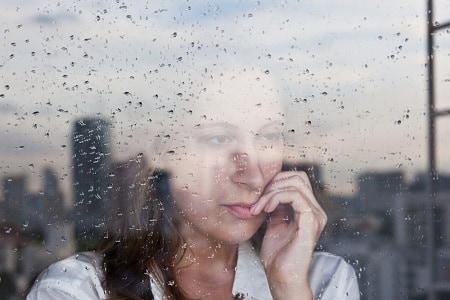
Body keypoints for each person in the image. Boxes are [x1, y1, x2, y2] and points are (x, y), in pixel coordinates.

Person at [27, 65, 360, 299]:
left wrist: (288, 291)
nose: (254, 175)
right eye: (218, 139)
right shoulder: (77, 291)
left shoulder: (321, 281)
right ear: (163, 153)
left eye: (268, 137)